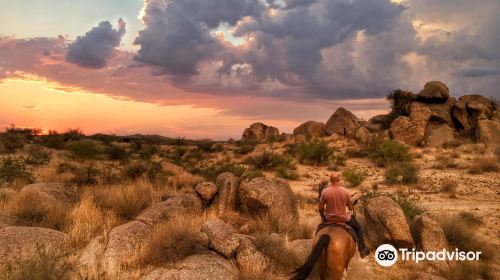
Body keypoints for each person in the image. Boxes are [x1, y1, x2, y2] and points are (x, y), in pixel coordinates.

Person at [318, 172, 369, 258]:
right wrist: (351, 209)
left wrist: (323, 216)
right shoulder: (345, 191)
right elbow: (350, 207)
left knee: (318, 230)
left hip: (329, 219)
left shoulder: (325, 192)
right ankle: (362, 249)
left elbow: (321, 208)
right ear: (339, 180)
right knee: (358, 228)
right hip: (343, 219)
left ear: (330, 181)